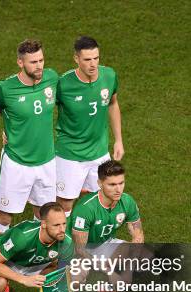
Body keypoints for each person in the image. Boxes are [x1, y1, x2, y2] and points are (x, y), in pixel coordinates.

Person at [0, 39, 58, 237]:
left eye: (41, 60)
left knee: (44, 214)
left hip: (46, 160)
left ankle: (37, 255)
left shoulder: (52, 78)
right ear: (20, 63)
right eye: (33, 62)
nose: (39, 66)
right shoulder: (5, 89)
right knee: (4, 216)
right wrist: (7, 130)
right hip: (16, 162)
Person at [55, 36, 125, 215]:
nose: (93, 64)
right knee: (65, 204)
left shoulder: (109, 76)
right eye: (87, 59)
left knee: (100, 200)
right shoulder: (63, 84)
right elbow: (40, 110)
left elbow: (112, 103)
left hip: (99, 152)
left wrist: (118, 140)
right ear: (76, 59)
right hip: (70, 154)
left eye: (96, 58)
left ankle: (91, 240)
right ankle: (63, 242)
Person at [70, 160, 144, 292]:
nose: (118, 189)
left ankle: (108, 290)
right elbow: (80, 250)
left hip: (103, 243)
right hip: (76, 249)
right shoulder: (86, 208)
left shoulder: (127, 202)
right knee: (76, 280)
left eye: (121, 183)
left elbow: (138, 232)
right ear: (100, 183)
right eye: (112, 184)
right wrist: (105, 268)